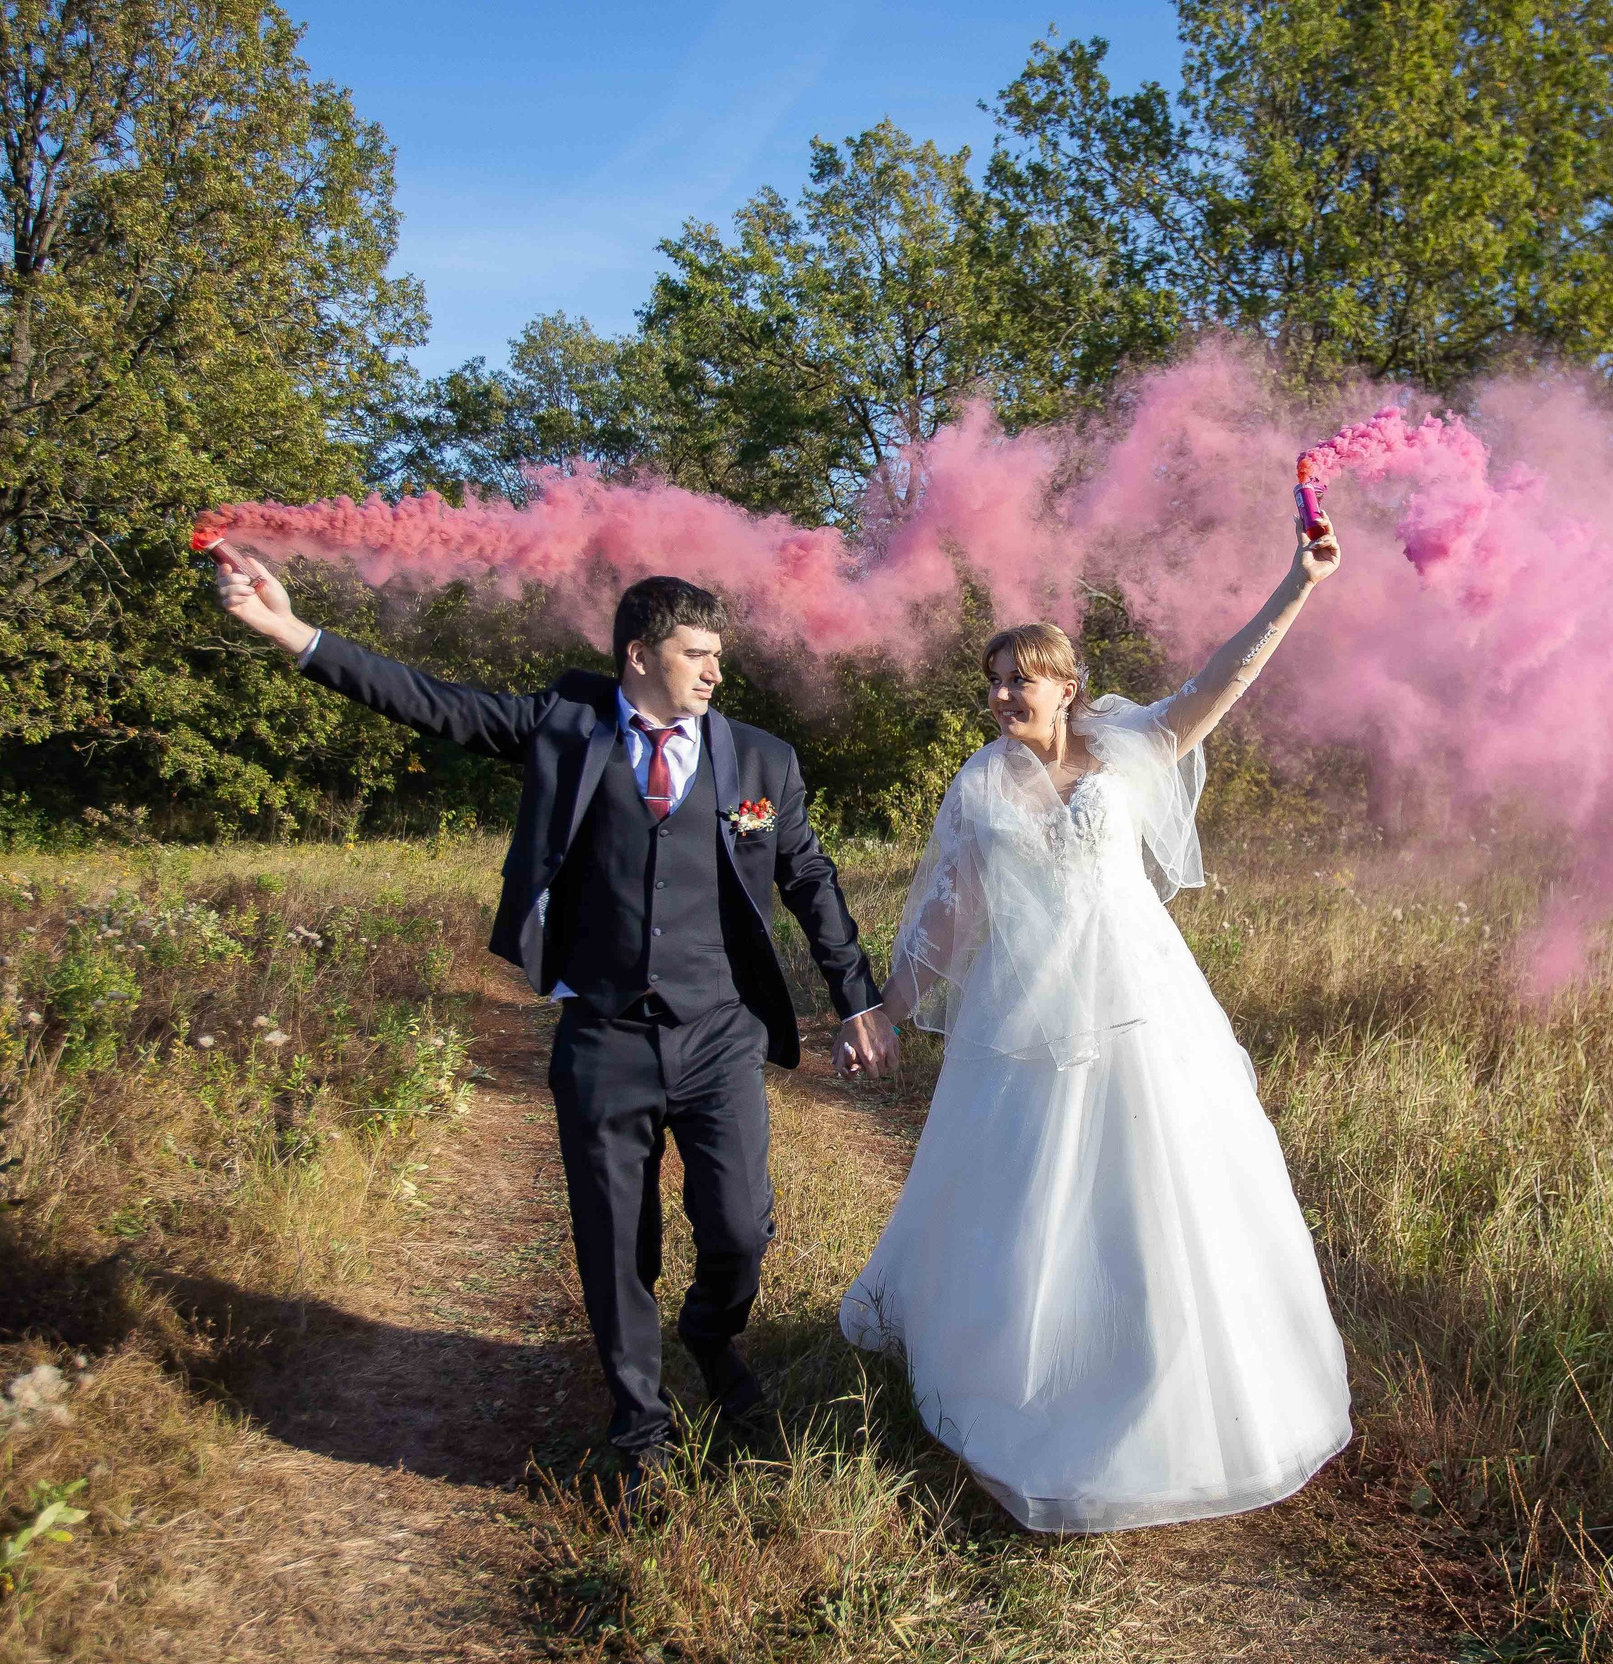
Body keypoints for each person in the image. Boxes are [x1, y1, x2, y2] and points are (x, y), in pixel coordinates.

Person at [211, 549, 899, 1484]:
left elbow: (810, 880)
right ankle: (641, 1428)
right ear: (638, 655)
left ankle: (711, 1332)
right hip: (604, 1034)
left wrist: (856, 995)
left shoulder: (761, 759)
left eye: (718, 655)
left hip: (718, 1033)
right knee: (615, 1241)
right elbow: (428, 700)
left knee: (739, 1227)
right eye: (697, 653)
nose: (715, 671)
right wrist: (292, 632)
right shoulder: (562, 726)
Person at [839, 516, 1354, 1532]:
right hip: (1027, 1018)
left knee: (1164, 1192)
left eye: (1017, 681)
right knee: (1029, 1201)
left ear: (1065, 687)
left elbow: (1221, 682)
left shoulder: (1128, 747)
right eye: (990, 683)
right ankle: (1035, 1390)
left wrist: (1296, 583)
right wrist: (884, 1011)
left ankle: (1170, 1383)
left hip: (1141, 1006)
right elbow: (947, 916)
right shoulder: (980, 785)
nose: (999, 698)